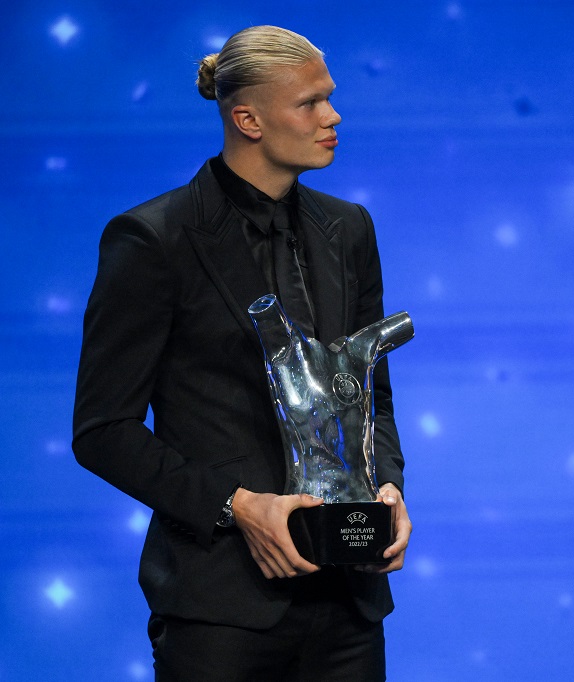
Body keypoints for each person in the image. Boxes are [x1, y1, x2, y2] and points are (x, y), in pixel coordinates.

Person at [72, 25, 411, 681]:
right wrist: (238, 506)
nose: (334, 116)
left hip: (348, 604)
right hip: (221, 609)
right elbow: (103, 431)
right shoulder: (153, 239)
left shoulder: (348, 229)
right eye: (311, 102)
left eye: (329, 97)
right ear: (247, 119)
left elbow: (373, 394)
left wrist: (387, 486)